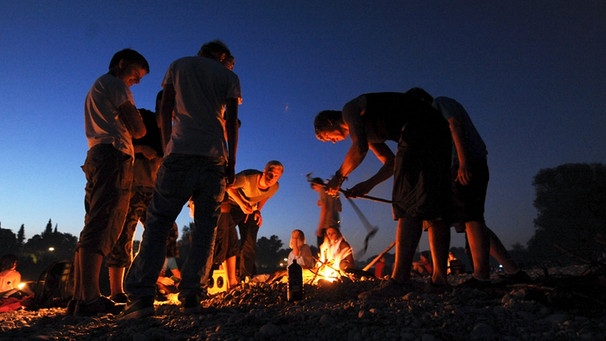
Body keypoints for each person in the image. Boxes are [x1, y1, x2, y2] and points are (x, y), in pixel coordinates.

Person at [122, 40, 241, 319]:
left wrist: (166, 148)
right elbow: (232, 122)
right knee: (205, 229)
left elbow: (165, 108)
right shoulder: (229, 77)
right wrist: (231, 162)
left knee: (159, 222)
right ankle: (192, 294)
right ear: (222, 56)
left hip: (180, 154)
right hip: (213, 159)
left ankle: (140, 297)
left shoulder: (179, 65)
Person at [314, 91, 453, 297]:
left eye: (327, 137)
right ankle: (439, 281)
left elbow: (359, 147)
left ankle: (400, 281)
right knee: (433, 207)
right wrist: (367, 185)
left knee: (407, 204)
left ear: (329, 121)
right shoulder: (369, 131)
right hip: (438, 133)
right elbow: (391, 164)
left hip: (418, 131)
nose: (333, 142)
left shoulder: (349, 110)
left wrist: (339, 177)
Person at [406, 88, 529, 286]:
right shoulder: (433, 116)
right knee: (469, 219)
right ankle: (512, 270)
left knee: (472, 217)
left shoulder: (440, 103)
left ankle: (481, 276)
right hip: (457, 167)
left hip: (466, 163)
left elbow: (454, 124)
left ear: (420, 101)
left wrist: (463, 163)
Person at [72, 48, 149, 316]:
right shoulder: (115, 85)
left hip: (96, 153)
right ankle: (90, 299)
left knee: (92, 222)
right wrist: (136, 122)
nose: (137, 82)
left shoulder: (98, 87)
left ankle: (80, 297)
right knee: (104, 222)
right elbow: (139, 129)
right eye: (136, 74)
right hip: (113, 156)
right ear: (122, 64)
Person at [106, 91, 164, 304]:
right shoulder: (143, 119)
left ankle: (144, 281)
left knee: (161, 235)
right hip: (132, 185)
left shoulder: (174, 130)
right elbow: (118, 141)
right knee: (123, 234)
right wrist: (140, 148)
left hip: (156, 189)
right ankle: (116, 290)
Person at [215, 160, 284, 284]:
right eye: (270, 173)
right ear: (264, 171)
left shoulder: (275, 186)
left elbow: (266, 195)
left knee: (250, 241)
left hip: (250, 208)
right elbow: (228, 186)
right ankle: (224, 274)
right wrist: (241, 204)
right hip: (232, 204)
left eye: (276, 176)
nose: (272, 178)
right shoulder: (247, 178)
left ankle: (246, 277)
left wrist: (258, 210)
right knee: (228, 236)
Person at [308, 176, 342, 248]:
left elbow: (324, 209)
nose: (316, 190)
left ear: (317, 185)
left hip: (327, 225)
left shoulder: (322, 190)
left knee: (322, 250)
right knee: (334, 250)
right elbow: (339, 208)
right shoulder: (334, 192)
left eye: (315, 188)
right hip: (335, 225)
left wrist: (320, 228)